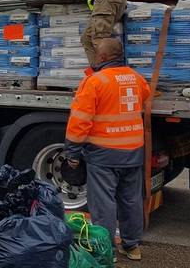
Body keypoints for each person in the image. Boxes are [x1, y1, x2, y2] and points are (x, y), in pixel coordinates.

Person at [64, 38, 151, 262]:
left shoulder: (94, 82)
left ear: (102, 58)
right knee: (131, 200)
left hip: (104, 153)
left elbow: (80, 120)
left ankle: (106, 252)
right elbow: (146, 95)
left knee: (103, 203)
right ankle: (132, 247)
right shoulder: (136, 78)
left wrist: (72, 152)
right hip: (132, 151)